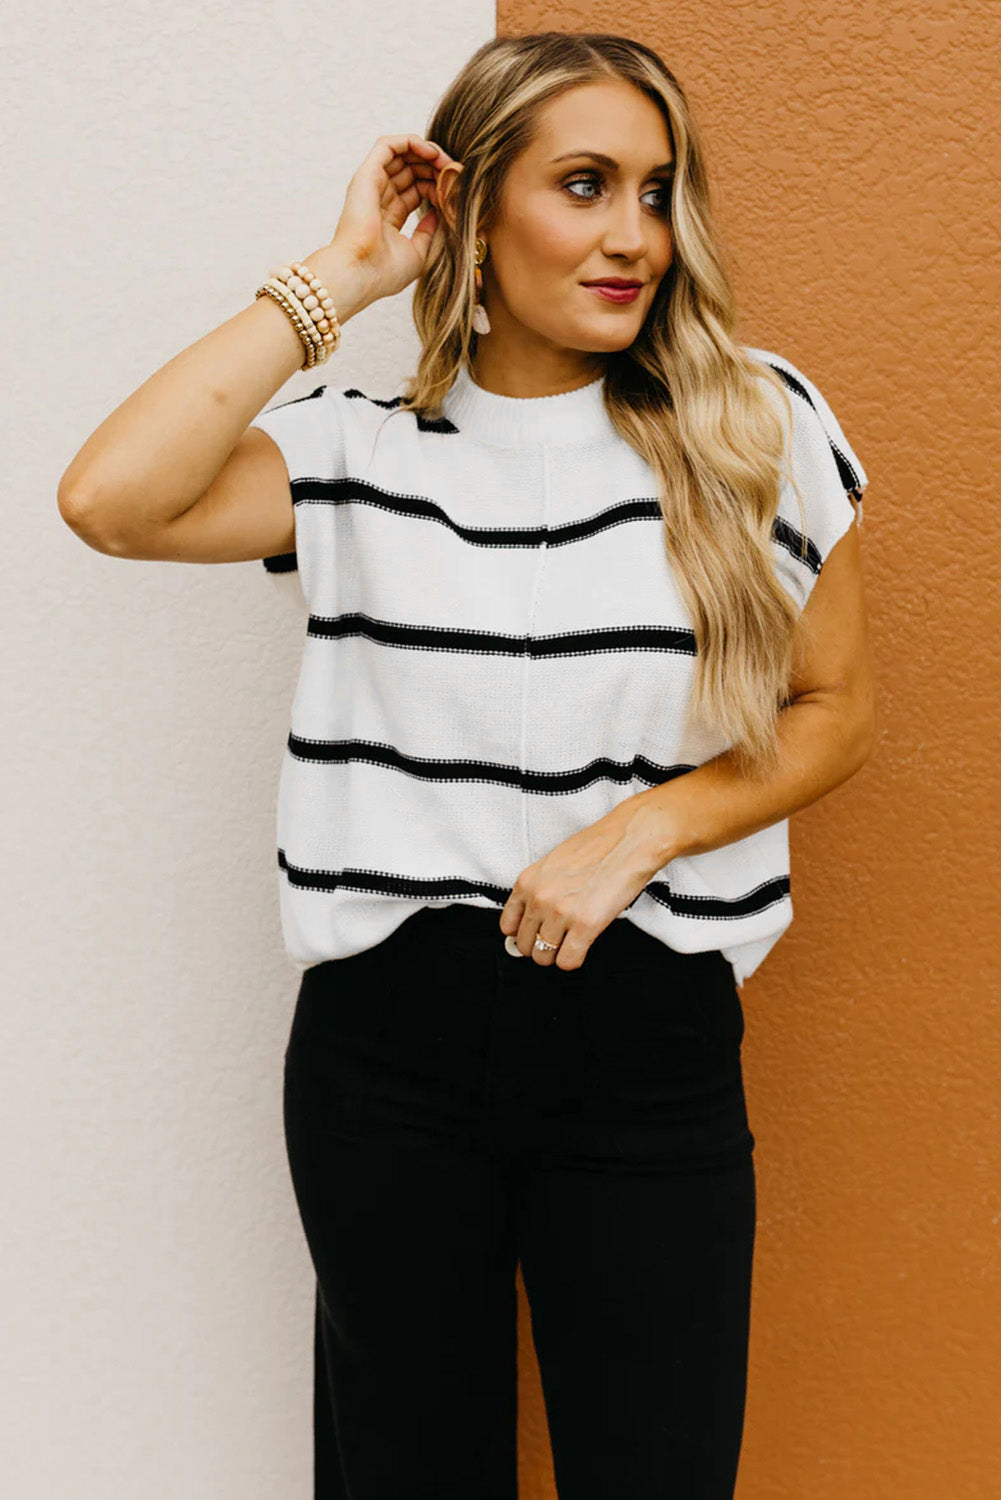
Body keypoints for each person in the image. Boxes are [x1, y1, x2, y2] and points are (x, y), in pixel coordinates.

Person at [57, 30, 875, 1500]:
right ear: (475, 210)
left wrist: (642, 832)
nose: (634, 235)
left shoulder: (752, 425)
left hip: (646, 1037)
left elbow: (833, 707)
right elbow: (111, 500)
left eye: (657, 190)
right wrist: (343, 276)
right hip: (390, 1049)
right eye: (585, 185)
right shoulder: (357, 455)